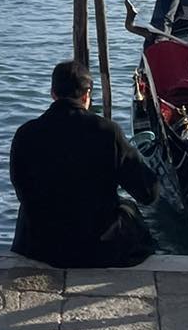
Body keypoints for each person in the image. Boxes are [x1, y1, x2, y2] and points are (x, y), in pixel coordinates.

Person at [9, 58, 157, 268]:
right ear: (87, 95)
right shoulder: (108, 132)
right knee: (128, 209)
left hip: (39, 247)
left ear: (53, 93)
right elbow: (148, 193)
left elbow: (22, 190)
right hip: (96, 248)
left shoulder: (25, 133)